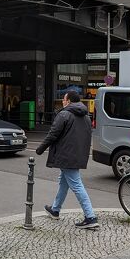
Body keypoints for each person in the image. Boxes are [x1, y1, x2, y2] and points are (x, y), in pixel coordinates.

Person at [36, 91, 98, 229]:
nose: (62, 102)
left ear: (68, 101)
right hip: (78, 155)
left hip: (66, 155)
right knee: (63, 182)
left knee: (76, 185)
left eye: (64, 99)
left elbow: (53, 134)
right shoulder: (86, 116)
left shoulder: (64, 114)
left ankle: (90, 217)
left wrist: (40, 148)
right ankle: (55, 209)